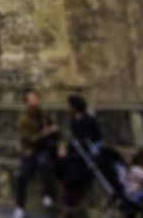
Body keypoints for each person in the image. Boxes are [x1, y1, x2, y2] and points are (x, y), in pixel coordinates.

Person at [13, 89, 59, 218]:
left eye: (36, 97)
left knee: (45, 164)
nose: (35, 100)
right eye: (32, 98)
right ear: (27, 102)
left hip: (42, 149)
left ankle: (48, 195)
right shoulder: (24, 119)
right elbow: (29, 138)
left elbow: (51, 126)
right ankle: (19, 206)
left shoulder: (43, 114)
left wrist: (53, 129)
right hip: (29, 150)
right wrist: (45, 132)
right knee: (22, 175)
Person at [57, 95, 102, 214]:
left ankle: (68, 205)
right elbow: (73, 141)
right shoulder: (73, 121)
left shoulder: (88, 120)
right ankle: (66, 201)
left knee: (71, 175)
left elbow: (93, 141)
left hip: (85, 157)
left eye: (69, 106)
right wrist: (65, 150)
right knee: (58, 165)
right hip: (75, 154)